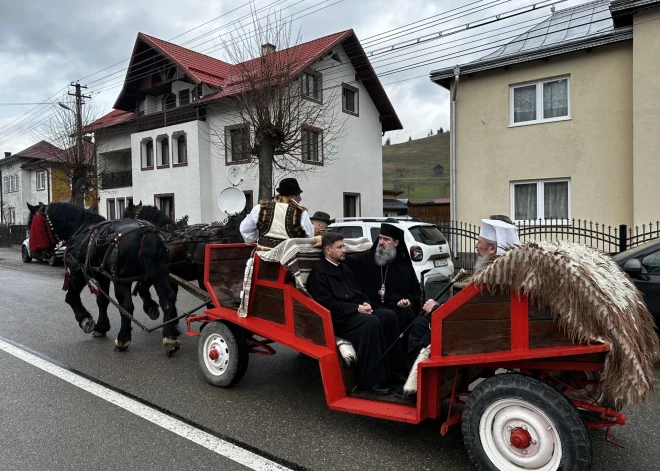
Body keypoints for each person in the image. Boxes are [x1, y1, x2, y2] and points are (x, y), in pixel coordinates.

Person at [400, 218, 520, 397]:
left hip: (475, 330)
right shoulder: (505, 269)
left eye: (479, 242)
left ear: (492, 249)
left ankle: (415, 386)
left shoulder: (491, 274)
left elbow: (471, 311)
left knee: (421, 325)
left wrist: (436, 309)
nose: (475, 246)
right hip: (487, 324)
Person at [306, 233, 405, 395]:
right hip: (338, 319)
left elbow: (359, 291)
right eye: (340, 247)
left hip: (355, 312)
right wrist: (357, 309)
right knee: (371, 322)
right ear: (328, 250)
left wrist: (366, 303)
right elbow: (326, 305)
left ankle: (393, 370)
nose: (344, 250)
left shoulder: (344, 268)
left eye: (344, 246)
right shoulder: (319, 272)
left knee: (389, 316)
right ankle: (371, 380)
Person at [345, 223, 421, 350]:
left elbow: (415, 293)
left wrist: (408, 301)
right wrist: (325, 241)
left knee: (407, 316)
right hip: (374, 306)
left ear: (396, 243)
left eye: (386, 239)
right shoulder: (366, 259)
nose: (381, 242)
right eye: (380, 238)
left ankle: (403, 362)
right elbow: (344, 259)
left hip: (398, 307)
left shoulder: (404, 266)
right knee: (387, 317)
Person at [239, 177, 315, 250]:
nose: (300, 199)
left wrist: (256, 238)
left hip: (263, 259)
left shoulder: (260, 208)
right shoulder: (301, 213)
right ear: (292, 196)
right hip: (289, 260)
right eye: (299, 195)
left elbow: (245, 230)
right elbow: (309, 238)